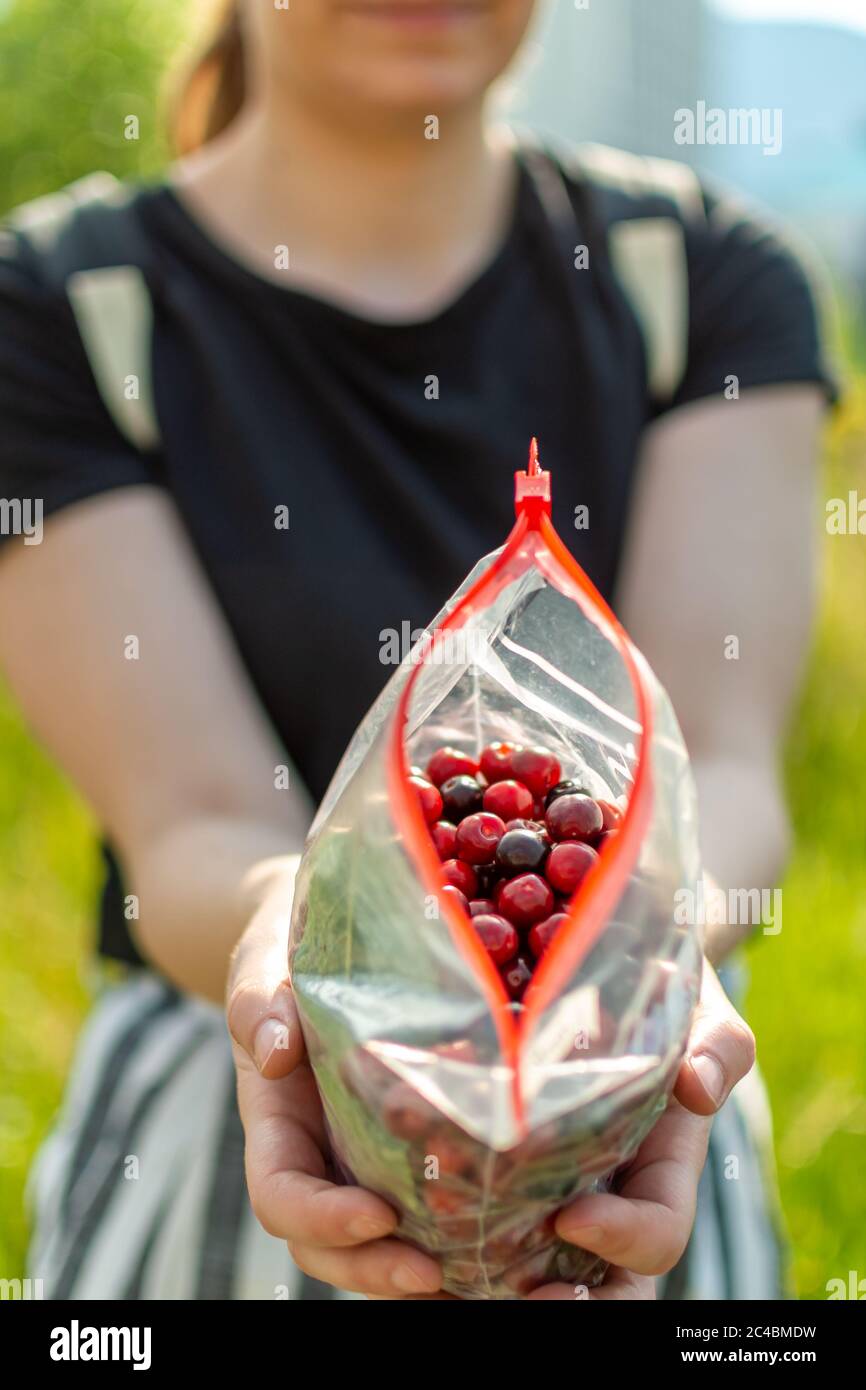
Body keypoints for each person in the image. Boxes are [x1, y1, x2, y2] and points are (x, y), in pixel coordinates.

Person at [0, 0, 831, 1300]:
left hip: (618, 1098)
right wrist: (305, 947)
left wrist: (633, 953)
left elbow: (719, 771)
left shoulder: (703, 279)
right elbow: (195, 822)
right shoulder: (62, 308)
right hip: (243, 1110)